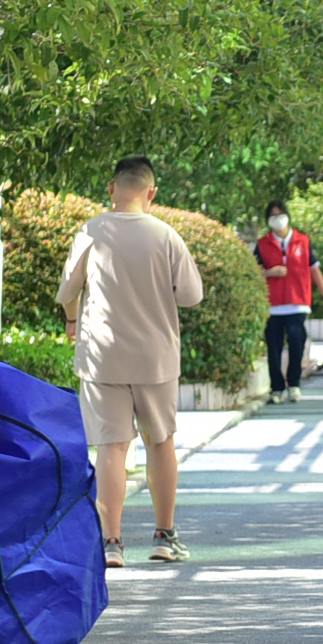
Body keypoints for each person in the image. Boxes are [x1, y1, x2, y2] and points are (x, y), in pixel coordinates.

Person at [59, 157, 206, 565]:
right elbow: (191, 296)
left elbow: (69, 289)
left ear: (111, 188)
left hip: (102, 357)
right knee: (160, 442)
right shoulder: (166, 235)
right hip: (156, 358)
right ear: (152, 193)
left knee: (111, 448)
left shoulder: (91, 231)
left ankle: (111, 543)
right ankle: (164, 536)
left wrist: (73, 319)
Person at [254, 199, 323, 407]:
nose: (277, 219)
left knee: (297, 339)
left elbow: (314, 268)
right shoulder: (262, 245)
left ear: (287, 216)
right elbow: (253, 272)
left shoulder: (303, 241)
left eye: (280, 214)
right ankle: (277, 388)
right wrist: (270, 272)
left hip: (298, 302)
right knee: (274, 346)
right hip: (273, 304)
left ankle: (294, 383)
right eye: (272, 216)